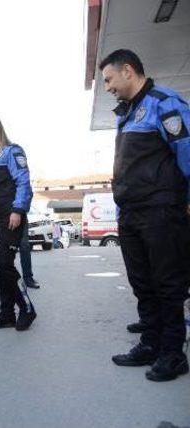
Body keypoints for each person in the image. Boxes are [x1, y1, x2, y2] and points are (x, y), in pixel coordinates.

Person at [100, 49, 190, 382]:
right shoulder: (127, 113)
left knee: (168, 285)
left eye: (109, 79)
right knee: (143, 284)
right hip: (132, 214)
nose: (107, 86)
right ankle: (150, 344)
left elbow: (187, 153)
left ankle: (173, 353)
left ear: (127, 71)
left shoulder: (164, 103)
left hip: (162, 211)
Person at [0, 114, 36, 331]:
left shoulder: (12, 151)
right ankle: (7, 313)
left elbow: (23, 183)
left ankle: (27, 308)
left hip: (9, 217)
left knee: (4, 263)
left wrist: (18, 210)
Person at [19, 224, 40, 288]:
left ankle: (28, 277)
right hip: (4, 217)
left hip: (21, 217)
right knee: (6, 247)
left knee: (24, 246)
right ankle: (7, 278)